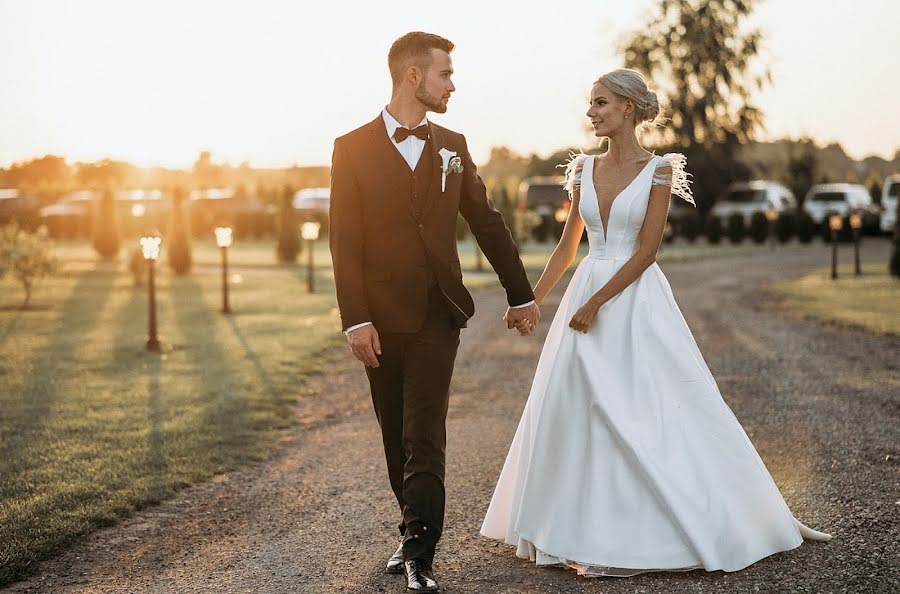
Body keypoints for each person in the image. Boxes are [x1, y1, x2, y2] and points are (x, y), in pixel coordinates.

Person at [480, 68, 831, 578]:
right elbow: (567, 245)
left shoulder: (659, 170)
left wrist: (597, 302)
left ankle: (713, 518)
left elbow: (647, 251)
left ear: (627, 108)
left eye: (600, 103)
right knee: (575, 404)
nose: (591, 112)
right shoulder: (581, 168)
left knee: (649, 408)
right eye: (590, 104)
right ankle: (569, 531)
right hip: (587, 287)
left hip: (632, 298)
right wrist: (530, 300)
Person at [328, 31, 539, 592]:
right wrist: (355, 319)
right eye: (445, 73)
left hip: (435, 316)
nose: (453, 84)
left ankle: (421, 552)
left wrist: (521, 294)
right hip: (377, 318)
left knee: (425, 433)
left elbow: (488, 222)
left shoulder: (454, 145)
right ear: (413, 77)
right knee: (395, 435)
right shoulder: (350, 148)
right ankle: (410, 527)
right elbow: (344, 242)